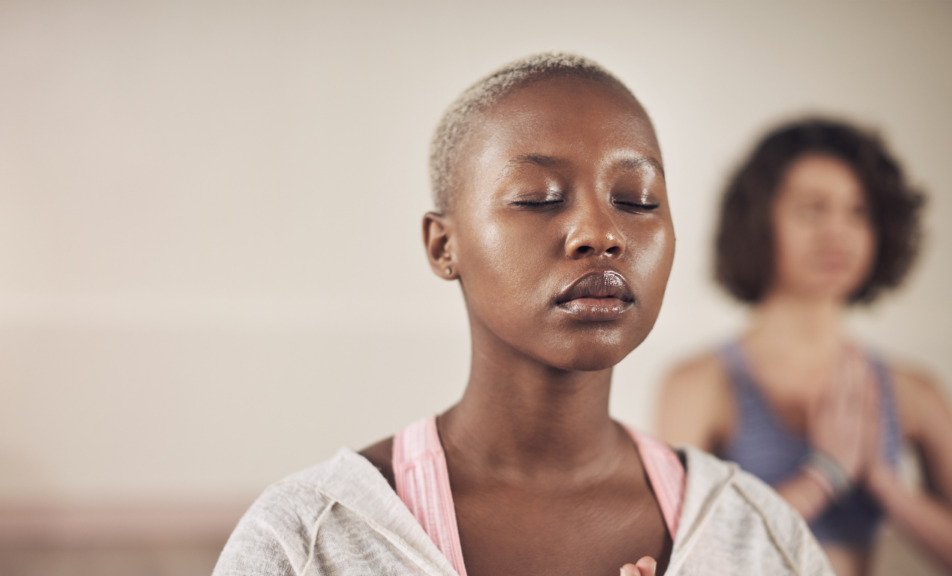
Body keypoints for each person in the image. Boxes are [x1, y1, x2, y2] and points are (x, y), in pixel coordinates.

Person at [212, 53, 832, 576]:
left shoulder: (758, 536)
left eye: (635, 200)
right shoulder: (307, 540)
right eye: (539, 199)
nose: (601, 233)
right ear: (443, 245)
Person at [656, 118, 952, 576]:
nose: (837, 232)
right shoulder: (700, 384)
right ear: (760, 222)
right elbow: (689, 555)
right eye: (812, 210)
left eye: (858, 212)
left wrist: (887, 486)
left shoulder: (913, 392)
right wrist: (822, 477)